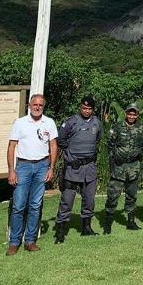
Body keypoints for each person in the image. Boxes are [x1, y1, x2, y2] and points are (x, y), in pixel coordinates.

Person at [6, 94, 58, 256]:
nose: (37, 107)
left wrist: (51, 168)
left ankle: (30, 241)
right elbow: (11, 147)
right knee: (19, 205)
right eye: (35, 104)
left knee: (35, 205)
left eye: (40, 105)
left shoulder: (49, 122)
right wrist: (11, 171)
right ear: (29, 105)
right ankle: (14, 242)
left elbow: (53, 146)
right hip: (23, 166)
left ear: (44, 106)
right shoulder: (20, 123)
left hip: (42, 166)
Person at [54, 96, 103, 243]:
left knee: (89, 199)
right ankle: (60, 231)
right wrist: (70, 153)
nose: (86, 111)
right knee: (67, 200)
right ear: (80, 107)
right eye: (84, 108)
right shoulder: (71, 122)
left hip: (89, 167)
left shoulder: (97, 123)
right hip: (73, 167)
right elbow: (60, 140)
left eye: (89, 108)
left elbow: (98, 140)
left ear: (93, 110)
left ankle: (86, 228)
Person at [103, 104, 143, 234]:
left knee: (132, 195)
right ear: (126, 114)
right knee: (113, 195)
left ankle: (131, 222)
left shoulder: (141, 128)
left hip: (133, 167)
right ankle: (107, 224)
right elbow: (110, 145)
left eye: (134, 114)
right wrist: (114, 157)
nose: (131, 116)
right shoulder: (117, 127)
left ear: (137, 115)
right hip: (119, 167)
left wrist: (139, 154)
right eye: (129, 113)